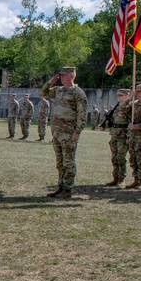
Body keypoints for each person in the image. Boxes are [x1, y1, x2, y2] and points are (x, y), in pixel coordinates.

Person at [40, 67, 87, 198]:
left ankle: (68, 189)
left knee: (68, 162)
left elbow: (82, 115)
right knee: (60, 162)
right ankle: (60, 187)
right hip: (57, 132)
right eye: (60, 76)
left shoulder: (78, 93)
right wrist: (50, 82)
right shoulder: (58, 90)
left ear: (72, 76)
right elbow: (43, 93)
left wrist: (77, 132)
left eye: (63, 75)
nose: (61, 78)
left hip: (69, 133)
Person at [100, 89, 131, 187]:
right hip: (114, 134)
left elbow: (130, 122)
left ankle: (121, 179)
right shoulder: (116, 107)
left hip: (123, 134)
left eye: (121, 95)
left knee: (121, 158)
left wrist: (129, 136)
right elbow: (112, 120)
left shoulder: (129, 107)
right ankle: (115, 177)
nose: (119, 97)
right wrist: (105, 125)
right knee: (114, 157)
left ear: (127, 96)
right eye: (118, 96)